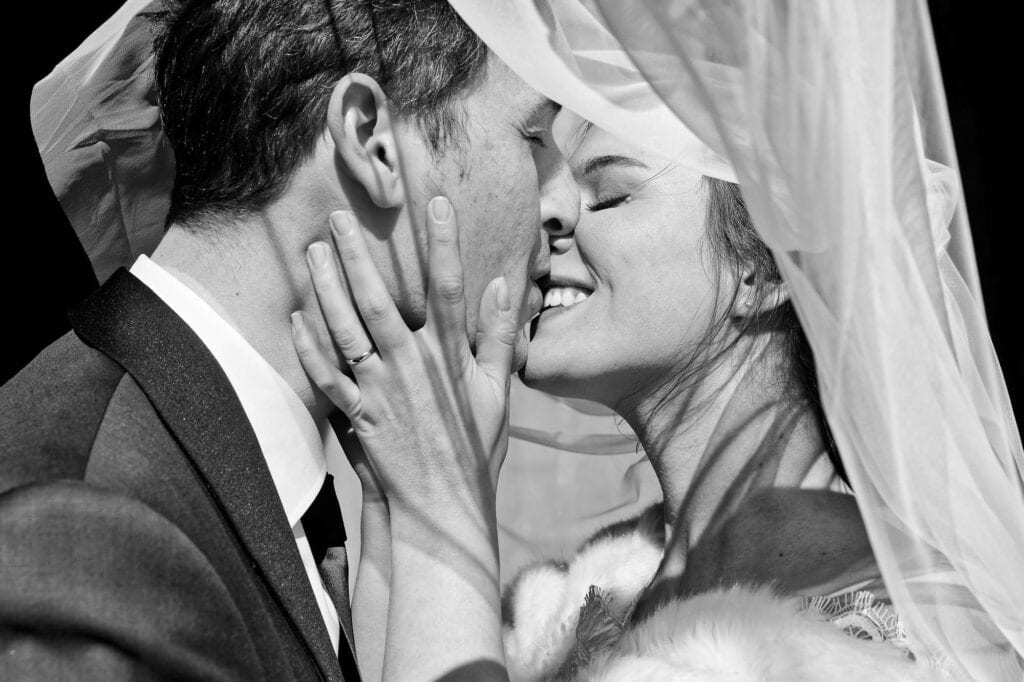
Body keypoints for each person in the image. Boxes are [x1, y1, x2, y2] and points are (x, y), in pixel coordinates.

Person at [297, 0, 1024, 680]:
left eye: (609, 192)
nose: (550, 215)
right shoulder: (594, 594)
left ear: (764, 267)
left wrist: (445, 497)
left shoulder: (871, 642)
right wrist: (402, 494)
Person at [0, 1, 578, 680]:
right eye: (534, 137)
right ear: (371, 141)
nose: (565, 206)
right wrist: (449, 522)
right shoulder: (85, 523)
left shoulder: (206, 463)